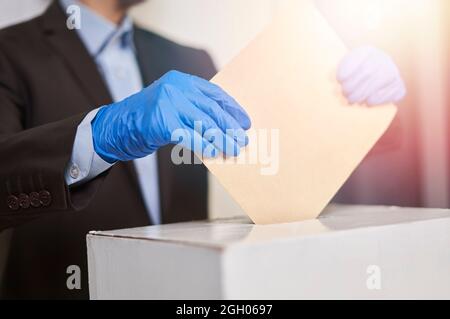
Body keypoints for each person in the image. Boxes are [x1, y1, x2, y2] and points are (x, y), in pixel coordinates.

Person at [0, 0, 405, 299]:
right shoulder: (10, 52)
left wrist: (361, 101)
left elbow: (282, 148)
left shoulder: (189, 58)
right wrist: (101, 134)